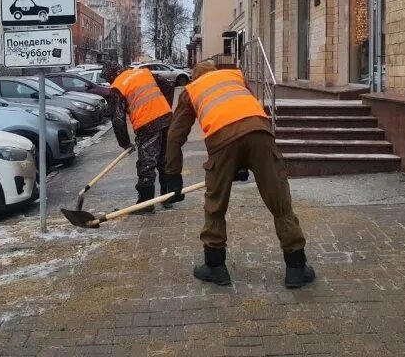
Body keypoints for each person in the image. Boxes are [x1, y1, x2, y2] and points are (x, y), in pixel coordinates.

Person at [162, 61, 314, 289]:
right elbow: (243, 111)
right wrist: (242, 163)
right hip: (260, 132)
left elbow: (175, 136)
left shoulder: (191, 90)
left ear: (195, 77)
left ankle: (215, 266)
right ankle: (296, 267)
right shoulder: (235, 77)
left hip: (222, 139)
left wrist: (173, 174)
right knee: (279, 201)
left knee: (215, 204)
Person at [102, 61, 173, 211]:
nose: (109, 82)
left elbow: (118, 119)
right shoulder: (143, 73)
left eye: (108, 79)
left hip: (147, 125)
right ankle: (167, 197)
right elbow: (168, 85)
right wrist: (164, 106)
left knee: (146, 164)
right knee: (164, 159)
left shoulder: (117, 87)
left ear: (113, 75)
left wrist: (125, 143)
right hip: (166, 118)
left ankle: (145, 204)